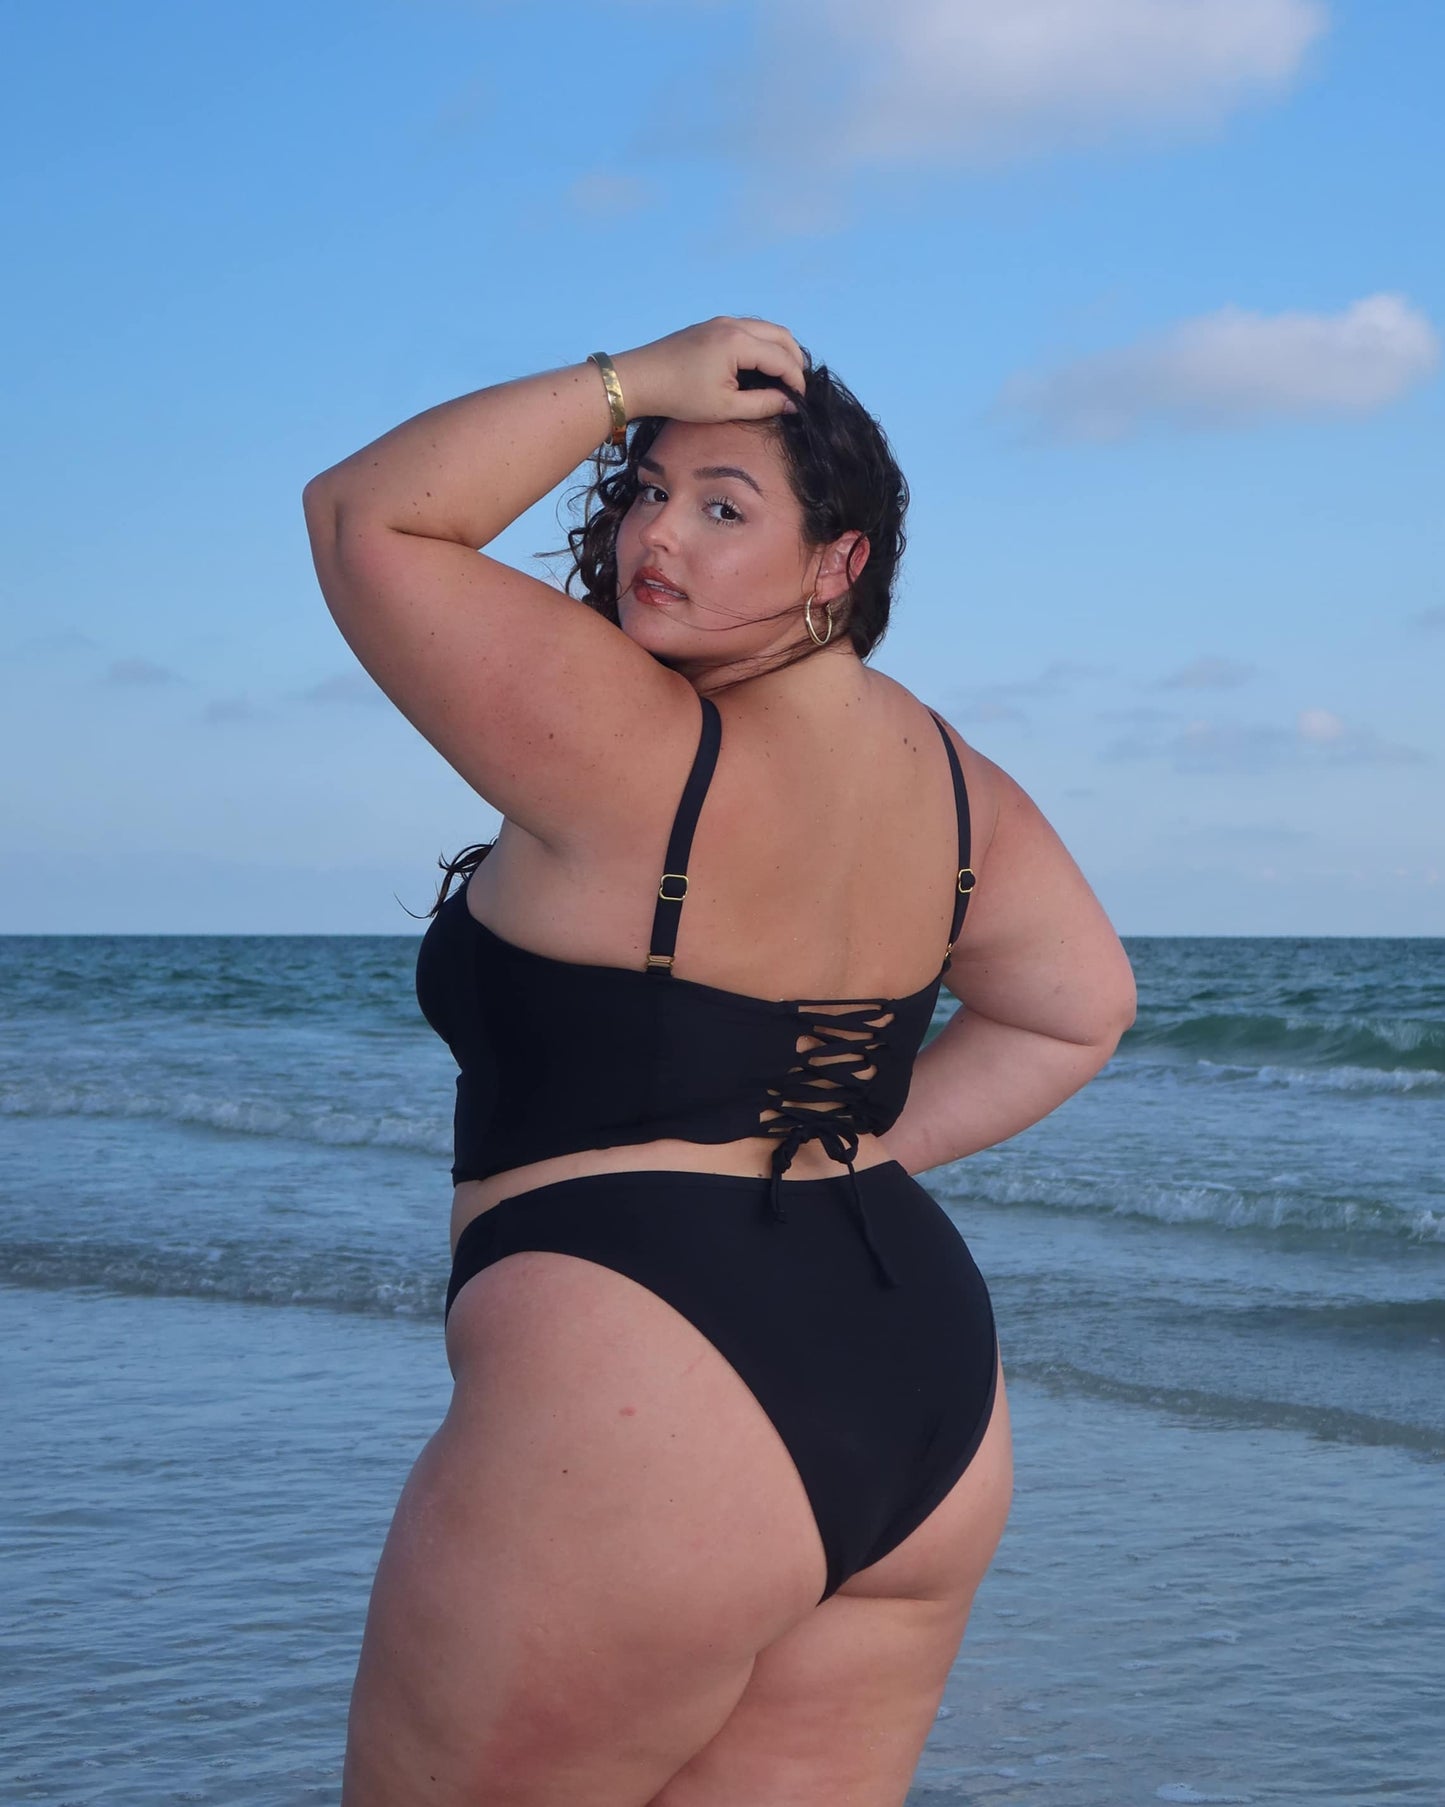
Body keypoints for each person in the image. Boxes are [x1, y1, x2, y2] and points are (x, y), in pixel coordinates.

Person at [301, 315, 1136, 1807]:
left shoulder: (625, 733)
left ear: (838, 563)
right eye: (645, 489)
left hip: (654, 1395)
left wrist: (632, 382)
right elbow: (1077, 1011)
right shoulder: (961, 785)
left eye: (722, 507)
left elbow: (368, 516)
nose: (653, 535)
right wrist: (852, 1153)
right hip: (923, 1387)